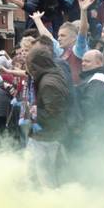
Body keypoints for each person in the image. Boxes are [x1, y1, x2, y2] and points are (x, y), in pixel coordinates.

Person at [25, 44, 70, 187]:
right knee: (38, 176)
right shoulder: (52, 75)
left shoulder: (48, 83)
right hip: (46, 136)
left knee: (44, 178)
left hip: (46, 138)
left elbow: (54, 115)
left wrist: (35, 111)